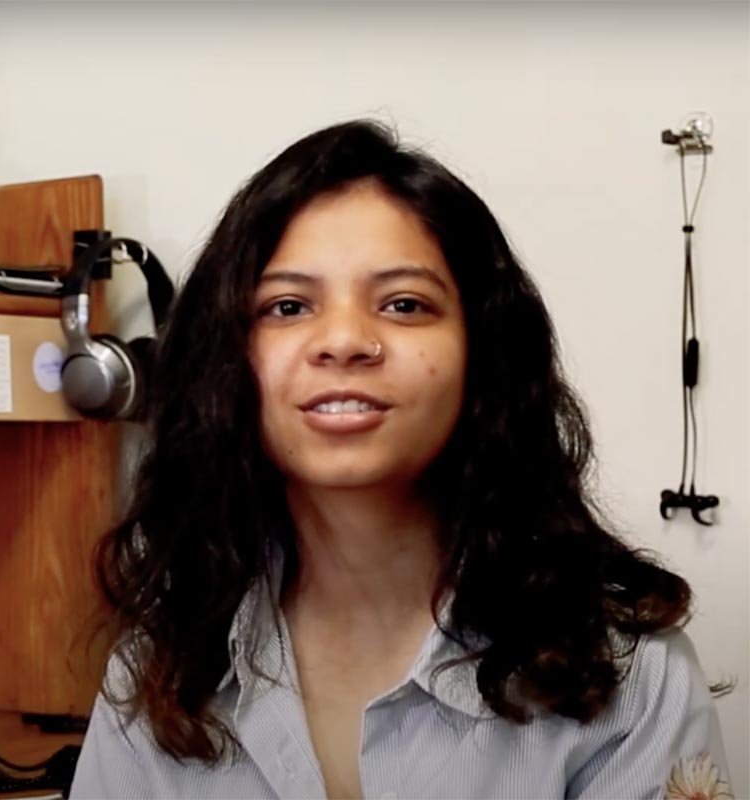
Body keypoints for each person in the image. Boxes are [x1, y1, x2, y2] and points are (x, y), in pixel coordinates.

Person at [69, 120, 732, 799]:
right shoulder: (158, 674)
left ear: (483, 358)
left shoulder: (631, 678)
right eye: (289, 306)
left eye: (405, 304)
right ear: (227, 363)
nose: (346, 341)